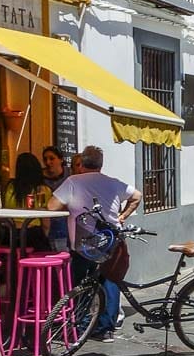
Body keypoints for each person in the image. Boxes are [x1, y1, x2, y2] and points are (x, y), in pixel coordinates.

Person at [47, 145, 142, 342]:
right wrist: (122, 215)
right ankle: (106, 328)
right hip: (111, 239)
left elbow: (52, 206)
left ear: (81, 164)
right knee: (110, 280)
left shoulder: (73, 181)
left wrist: (71, 205)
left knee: (82, 282)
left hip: (84, 243)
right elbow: (137, 196)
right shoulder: (113, 183)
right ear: (101, 165)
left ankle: (81, 325)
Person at [4, 152, 51, 251]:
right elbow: (45, 220)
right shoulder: (42, 190)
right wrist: (46, 236)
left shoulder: (10, 187)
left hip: (9, 235)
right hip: (32, 234)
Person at [41, 146, 70, 251]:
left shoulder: (69, 174)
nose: (48, 162)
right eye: (45, 159)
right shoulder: (40, 177)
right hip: (47, 218)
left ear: (61, 159)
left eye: (52, 158)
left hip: (66, 217)